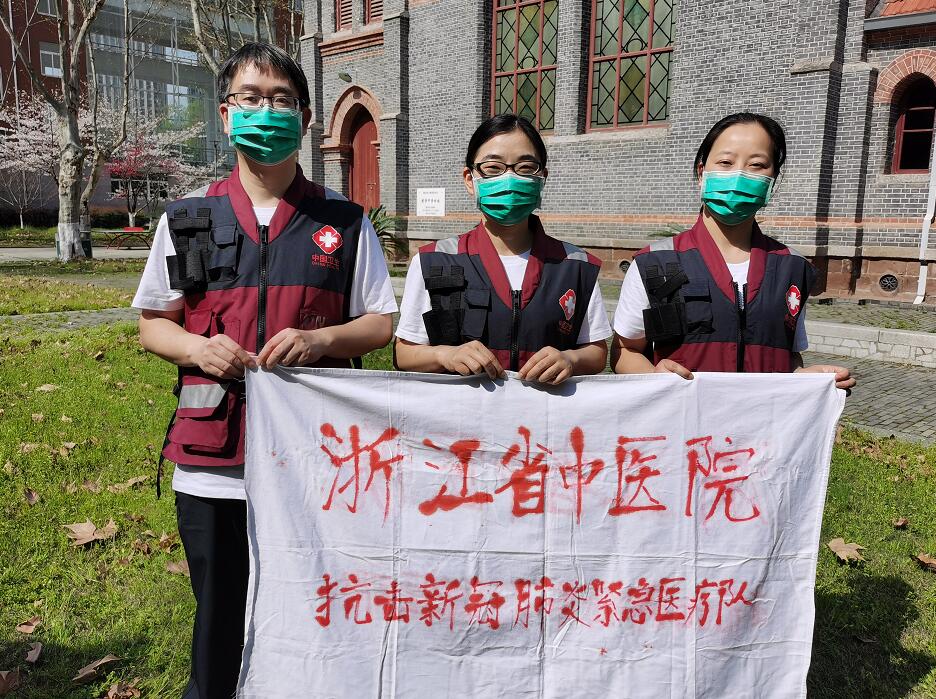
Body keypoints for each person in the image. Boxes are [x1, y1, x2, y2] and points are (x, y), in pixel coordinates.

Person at [131, 43, 397, 698]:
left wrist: (322, 337)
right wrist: (198, 350)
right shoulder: (188, 220)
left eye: (281, 100)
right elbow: (153, 323)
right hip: (212, 461)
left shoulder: (344, 221)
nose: (266, 111)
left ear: (303, 118)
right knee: (219, 615)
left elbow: (380, 322)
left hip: (316, 458)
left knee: (317, 606)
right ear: (226, 115)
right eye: (250, 98)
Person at [611, 112, 855, 390]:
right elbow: (624, 351)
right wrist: (655, 375)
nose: (739, 175)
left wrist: (806, 378)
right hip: (686, 416)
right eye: (726, 162)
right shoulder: (654, 262)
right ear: (702, 172)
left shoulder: (793, 268)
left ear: (773, 180)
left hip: (764, 416)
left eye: (757, 165)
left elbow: (787, 357)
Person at [394, 114, 610, 384]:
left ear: (542, 177)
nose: (509, 179)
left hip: (543, 409)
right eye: (493, 168)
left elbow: (597, 352)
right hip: (460, 409)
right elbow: (404, 353)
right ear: (470, 179)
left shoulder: (577, 265)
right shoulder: (433, 261)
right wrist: (444, 355)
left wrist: (571, 359)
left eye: (525, 167)